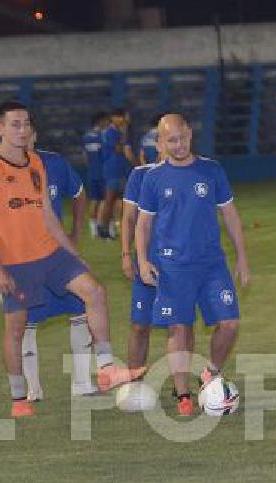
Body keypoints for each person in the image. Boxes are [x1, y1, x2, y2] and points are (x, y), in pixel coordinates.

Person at [0, 100, 144, 418]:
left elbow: (49, 217)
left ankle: (106, 369)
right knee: (16, 328)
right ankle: (19, 398)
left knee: (94, 291)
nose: (22, 130)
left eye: (26, 124)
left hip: (50, 254)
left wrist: (74, 255)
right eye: (14, 124)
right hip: (14, 262)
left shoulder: (37, 163)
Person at [0, 129, 99, 400]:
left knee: (81, 310)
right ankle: (33, 388)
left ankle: (83, 383)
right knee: (25, 324)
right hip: (22, 260)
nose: (24, 138)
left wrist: (76, 232)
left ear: (35, 135)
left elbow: (79, 194)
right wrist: (2, 237)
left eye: (29, 132)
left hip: (56, 257)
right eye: (18, 130)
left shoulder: (54, 164)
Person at [135, 113, 251, 416]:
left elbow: (230, 215)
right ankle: (183, 393)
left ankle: (210, 373)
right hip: (173, 267)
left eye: (182, 137)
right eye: (170, 140)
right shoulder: (153, 178)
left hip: (212, 265)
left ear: (190, 134)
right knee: (179, 328)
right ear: (160, 143)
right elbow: (143, 224)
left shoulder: (211, 170)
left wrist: (242, 256)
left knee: (229, 323)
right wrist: (142, 260)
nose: (178, 145)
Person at [121, 114, 167, 377]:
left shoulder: (187, 173)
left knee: (179, 325)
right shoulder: (139, 176)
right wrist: (127, 255)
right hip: (146, 259)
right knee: (140, 325)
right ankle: (134, 379)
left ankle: (182, 390)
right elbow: (128, 218)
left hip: (178, 262)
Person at [97, 108, 134, 240]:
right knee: (110, 200)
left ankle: (111, 228)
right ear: (113, 118)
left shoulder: (116, 131)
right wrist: (124, 132)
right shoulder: (110, 132)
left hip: (120, 170)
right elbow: (118, 149)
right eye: (120, 117)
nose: (123, 120)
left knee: (120, 201)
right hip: (113, 170)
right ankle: (103, 227)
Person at [83, 112, 109, 238]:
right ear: (100, 121)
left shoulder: (86, 136)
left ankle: (93, 229)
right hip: (103, 172)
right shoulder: (102, 136)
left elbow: (85, 156)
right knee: (105, 200)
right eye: (106, 121)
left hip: (92, 172)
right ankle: (102, 227)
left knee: (94, 200)